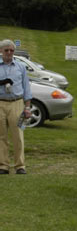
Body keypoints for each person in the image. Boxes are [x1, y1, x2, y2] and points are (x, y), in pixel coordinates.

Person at [0, 39, 32, 174]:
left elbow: (27, 88)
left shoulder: (20, 67)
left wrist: (27, 107)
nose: (9, 52)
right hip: (0, 103)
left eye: (11, 50)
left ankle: (20, 166)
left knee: (18, 135)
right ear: (1, 51)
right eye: (6, 50)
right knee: (1, 136)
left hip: (17, 104)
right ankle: (3, 165)